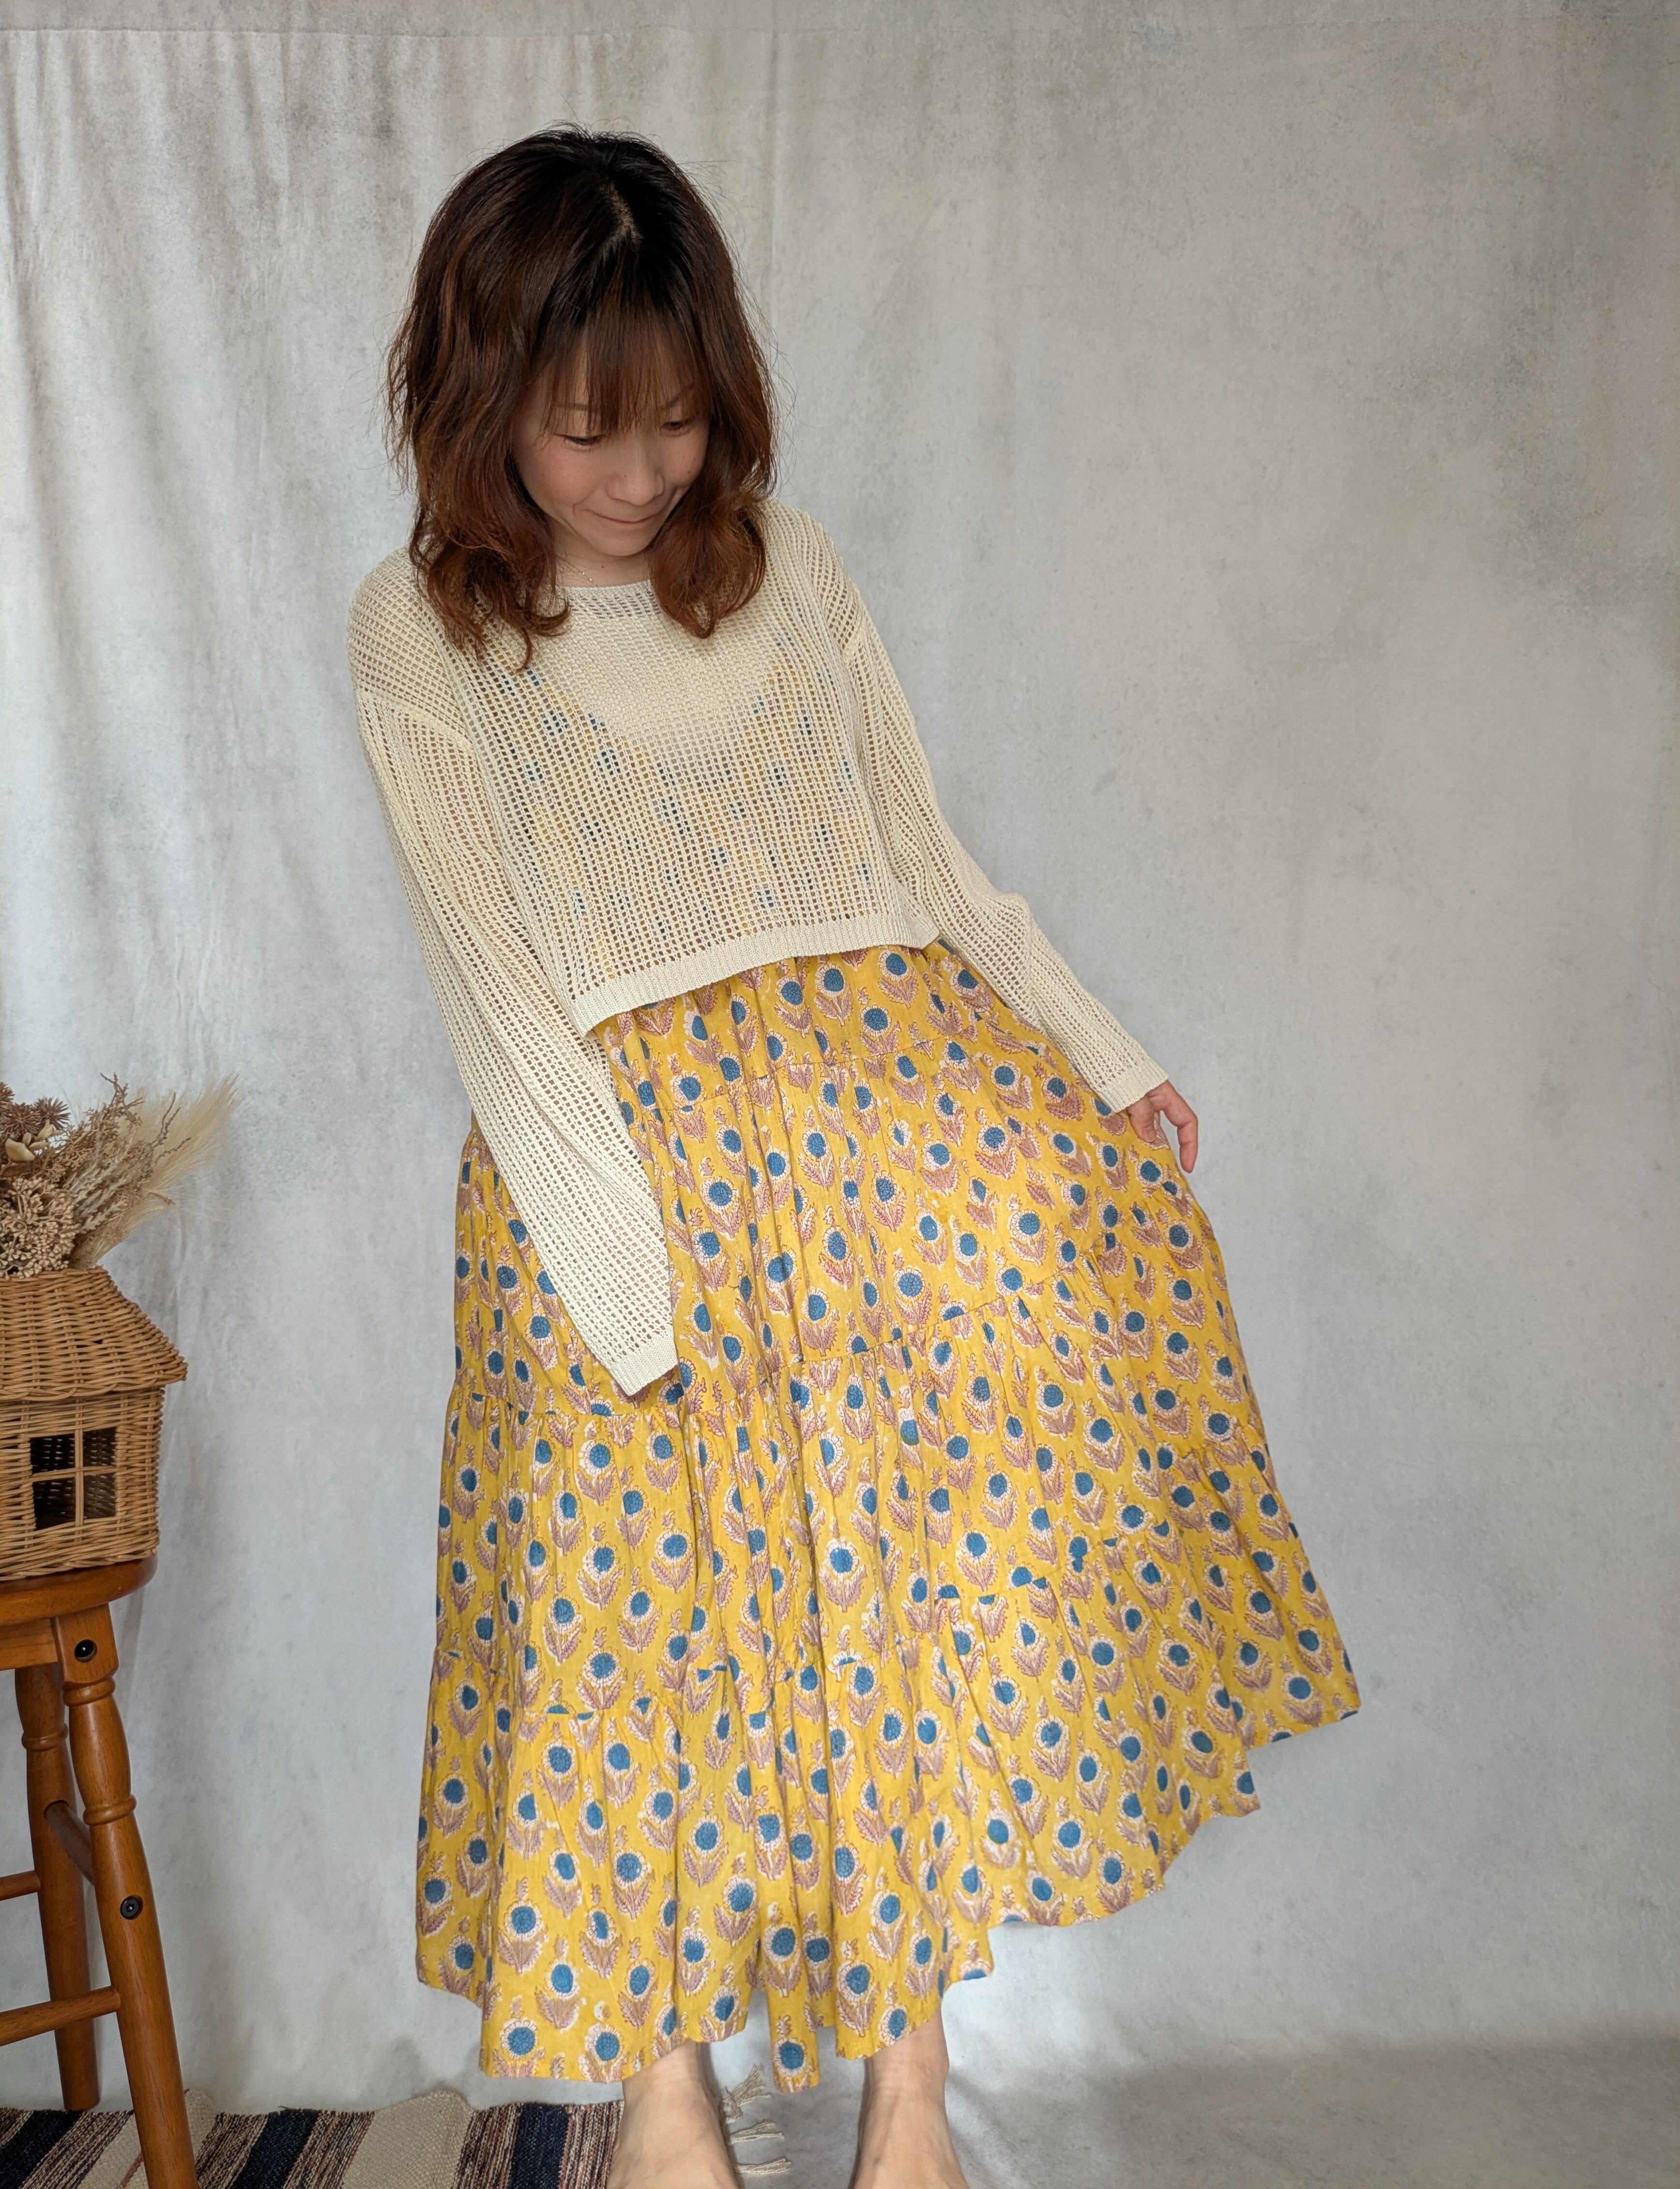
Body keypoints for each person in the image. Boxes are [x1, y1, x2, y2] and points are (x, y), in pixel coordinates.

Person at [349, 125, 1359, 2189]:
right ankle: (665, 2096)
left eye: (676, 417)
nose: (642, 472)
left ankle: (909, 2089)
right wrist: (624, 1281)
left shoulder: (786, 570)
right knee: (625, 1627)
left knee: (882, 1607)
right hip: (613, 1168)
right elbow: (494, 988)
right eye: (586, 428)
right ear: (484, 399)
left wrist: (1100, 1053)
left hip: (879, 1140)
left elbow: (924, 859)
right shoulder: (419, 629)